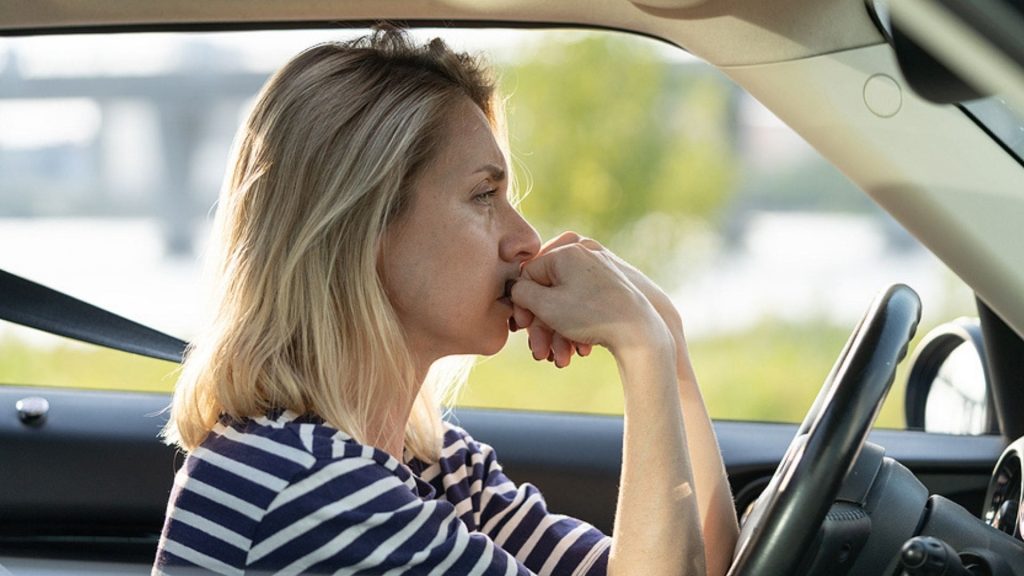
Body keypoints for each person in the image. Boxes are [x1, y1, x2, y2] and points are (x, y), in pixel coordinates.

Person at [154, 27, 738, 576]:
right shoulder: (310, 488)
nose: (526, 239)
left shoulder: (433, 466)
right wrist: (641, 351)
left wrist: (668, 345)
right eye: (484, 195)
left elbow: (701, 565)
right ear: (366, 228)